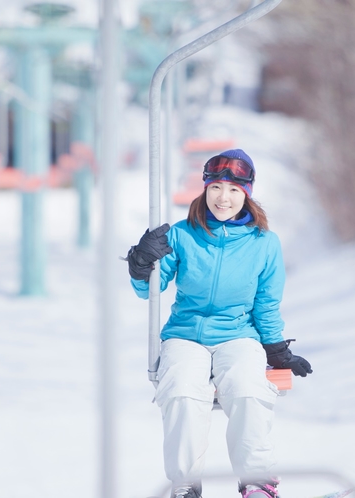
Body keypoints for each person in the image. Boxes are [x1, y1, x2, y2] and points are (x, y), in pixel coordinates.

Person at [125, 149, 313, 498]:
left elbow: (266, 303)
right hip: (185, 334)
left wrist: (275, 348)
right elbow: (149, 290)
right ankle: (184, 484)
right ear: (205, 189)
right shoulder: (182, 235)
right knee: (181, 387)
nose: (223, 198)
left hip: (238, 334)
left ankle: (257, 481)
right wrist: (141, 265)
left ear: (247, 195)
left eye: (233, 190)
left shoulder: (264, 244)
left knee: (247, 386)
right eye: (216, 188)